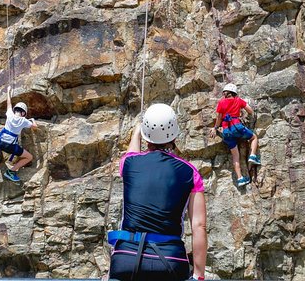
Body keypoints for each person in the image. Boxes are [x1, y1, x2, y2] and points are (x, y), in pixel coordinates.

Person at [107, 103, 207, 281]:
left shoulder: (129, 163)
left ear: (146, 135)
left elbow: (132, 153)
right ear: (174, 134)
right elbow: (199, 226)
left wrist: (138, 131)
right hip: (170, 261)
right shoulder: (190, 172)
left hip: (126, 259)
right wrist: (199, 275)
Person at [210, 83, 260, 188]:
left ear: (226, 92)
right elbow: (250, 111)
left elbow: (219, 118)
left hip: (226, 131)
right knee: (254, 137)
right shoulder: (238, 100)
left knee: (235, 157)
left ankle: (240, 178)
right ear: (234, 92)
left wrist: (215, 128)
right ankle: (252, 156)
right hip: (237, 126)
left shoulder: (221, 102)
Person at [0, 89, 38, 182]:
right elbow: (34, 127)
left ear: (15, 110)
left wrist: (8, 91)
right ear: (23, 113)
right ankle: (11, 171)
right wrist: (32, 120)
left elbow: (9, 103)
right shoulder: (23, 120)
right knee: (29, 157)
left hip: (0, 143)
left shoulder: (9, 114)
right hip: (10, 147)